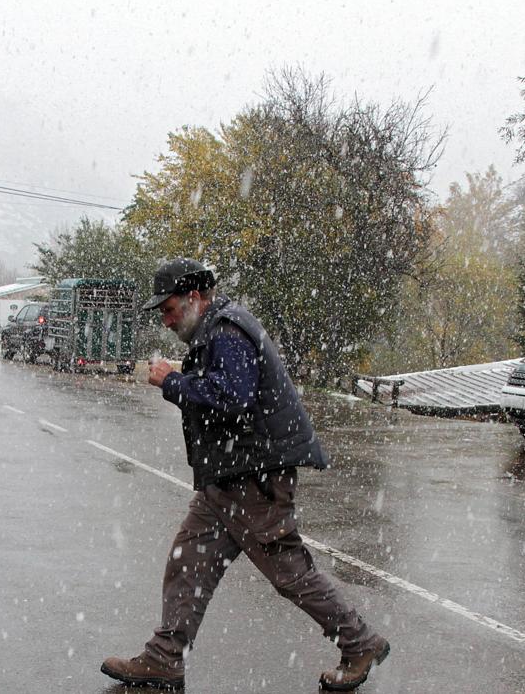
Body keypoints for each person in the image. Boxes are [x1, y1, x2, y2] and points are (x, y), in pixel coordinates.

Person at [101, 258, 389, 691]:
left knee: (289, 572)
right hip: (230, 478)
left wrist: (173, 382)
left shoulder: (228, 332)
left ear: (194, 297)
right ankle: (165, 658)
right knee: (188, 561)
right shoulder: (215, 329)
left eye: (169, 308)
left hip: (254, 479)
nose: (165, 319)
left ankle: (359, 641)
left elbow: (232, 400)